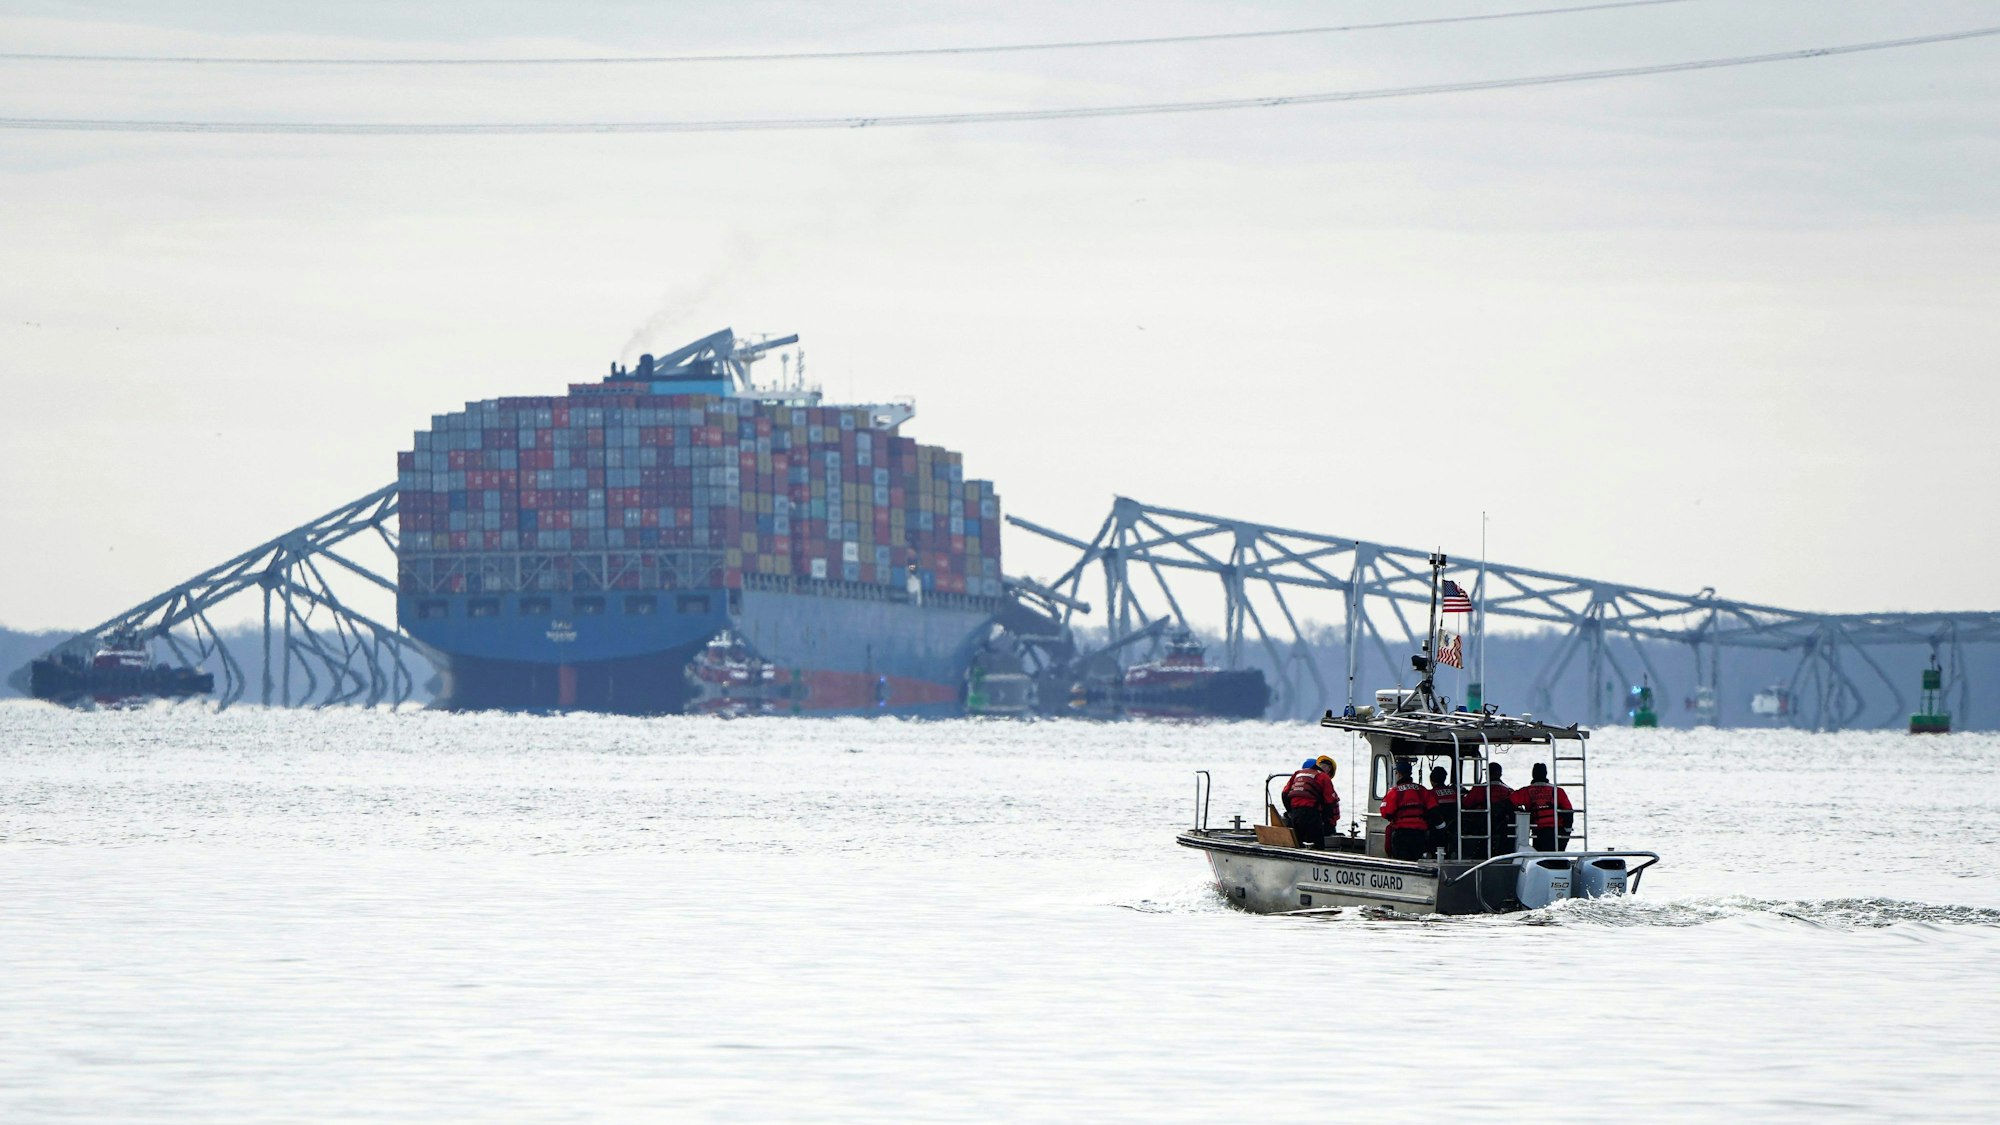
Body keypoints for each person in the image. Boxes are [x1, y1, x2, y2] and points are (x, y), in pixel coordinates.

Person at [1378, 760, 1438, 861]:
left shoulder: (1394, 792)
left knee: (1401, 861)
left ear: (1399, 774)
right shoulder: (1422, 790)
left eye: (1396, 773)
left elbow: (1386, 813)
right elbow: (1433, 809)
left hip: (1402, 833)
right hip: (1420, 833)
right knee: (1416, 860)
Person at [1460, 761, 1517, 860]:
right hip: (1502, 829)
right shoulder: (1509, 791)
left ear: (1488, 773)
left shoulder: (1479, 789)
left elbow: (1466, 803)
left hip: (1481, 827)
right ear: (1500, 774)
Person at [1515, 762, 1575, 852]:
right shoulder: (1557, 791)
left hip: (1538, 832)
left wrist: (1522, 812)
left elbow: (1508, 803)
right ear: (1546, 774)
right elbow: (1569, 811)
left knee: (1541, 855)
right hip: (1557, 831)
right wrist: (1567, 831)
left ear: (1533, 774)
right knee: (1557, 856)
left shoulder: (1525, 791)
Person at [1282, 757, 1337, 847]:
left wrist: (1290, 812)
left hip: (1295, 814)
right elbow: (1330, 803)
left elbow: (1284, 794)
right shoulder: (1324, 777)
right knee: (1318, 845)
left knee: (1298, 844)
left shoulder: (1298, 773)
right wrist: (1326, 821)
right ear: (1328, 769)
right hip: (1311, 814)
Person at [1427, 764, 1461, 858]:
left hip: (1437, 828)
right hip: (1454, 827)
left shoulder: (1431, 794)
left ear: (1431, 780)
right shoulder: (1455, 792)